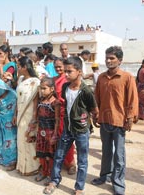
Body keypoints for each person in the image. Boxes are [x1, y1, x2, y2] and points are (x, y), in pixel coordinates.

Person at [44, 57, 99, 195]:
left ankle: (79, 188)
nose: (66, 74)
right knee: (59, 155)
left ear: (79, 72)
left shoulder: (86, 91)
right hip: (67, 129)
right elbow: (65, 103)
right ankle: (54, 180)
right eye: (65, 71)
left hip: (81, 131)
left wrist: (86, 120)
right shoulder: (64, 87)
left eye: (69, 71)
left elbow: (94, 109)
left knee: (82, 160)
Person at [91, 46, 138, 195]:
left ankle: (118, 182)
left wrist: (130, 118)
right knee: (106, 151)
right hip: (104, 119)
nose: (108, 60)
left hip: (120, 121)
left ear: (120, 60)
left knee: (119, 154)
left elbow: (132, 99)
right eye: (107, 58)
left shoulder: (127, 77)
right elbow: (96, 98)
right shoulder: (102, 78)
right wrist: (95, 114)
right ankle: (104, 176)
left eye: (112, 58)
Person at [12, 56, 41, 176]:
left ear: (25, 67)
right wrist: (15, 114)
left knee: (29, 140)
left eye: (19, 66)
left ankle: (32, 167)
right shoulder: (21, 80)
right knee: (20, 141)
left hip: (29, 115)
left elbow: (35, 101)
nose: (17, 69)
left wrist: (34, 118)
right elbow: (17, 99)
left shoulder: (36, 82)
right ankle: (21, 166)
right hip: (20, 115)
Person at [34, 77, 60, 185]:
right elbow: (37, 115)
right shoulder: (40, 100)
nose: (42, 91)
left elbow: (57, 120)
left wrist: (55, 134)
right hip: (41, 131)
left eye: (44, 88)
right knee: (42, 153)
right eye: (41, 88)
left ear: (52, 89)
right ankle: (44, 171)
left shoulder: (55, 102)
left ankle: (50, 174)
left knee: (50, 154)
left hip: (50, 132)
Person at [53, 57, 76, 175]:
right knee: (57, 138)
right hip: (54, 112)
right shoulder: (54, 79)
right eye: (56, 67)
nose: (58, 69)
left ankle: (71, 163)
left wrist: (59, 100)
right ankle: (61, 161)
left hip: (64, 111)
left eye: (60, 66)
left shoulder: (67, 80)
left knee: (66, 138)